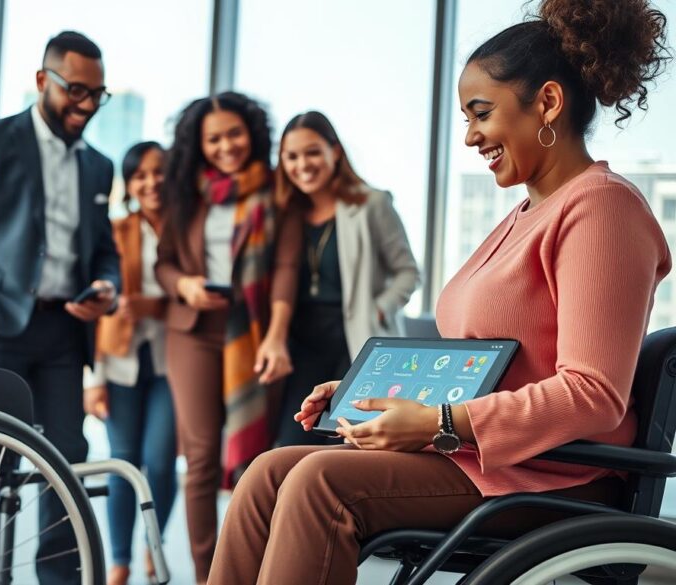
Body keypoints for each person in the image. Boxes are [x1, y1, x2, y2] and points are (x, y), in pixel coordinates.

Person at [208, 0, 672, 583]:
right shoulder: (527, 213)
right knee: (267, 473)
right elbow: (486, 359)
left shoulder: (601, 208)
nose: (472, 136)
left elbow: (591, 394)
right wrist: (361, 394)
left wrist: (438, 422)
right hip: (482, 459)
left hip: (551, 474)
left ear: (547, 103)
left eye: (482, 114)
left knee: (318, 483)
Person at [0, 31, 120, 585]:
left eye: (97, 95)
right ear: (42, 81)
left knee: (66, 466)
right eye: (76, 90)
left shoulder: (100, 167)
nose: (86, 105)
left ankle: (57, 580)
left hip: (64, 332)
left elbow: (105, 251)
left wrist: (108, 286)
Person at [155, 91, 302, 584]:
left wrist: (276, 337)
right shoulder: (186, 193)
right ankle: (207, 575)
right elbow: (164, 263)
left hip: (254, 333)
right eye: (213, 139)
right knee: (198, 459)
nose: (226, 146)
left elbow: (285, 268)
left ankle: (250, 570)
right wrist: (186, 285)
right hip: (193, 333)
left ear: (253, 132)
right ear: (199, 143)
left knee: (253, 462)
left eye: (234, 134)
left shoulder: (276, 189)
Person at [272, 111, 420, 448]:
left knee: (346, 443)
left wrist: (380, 309)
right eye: (291, 156)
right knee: (289, 444)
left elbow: (408, 271)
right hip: (302, 346)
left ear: (334, 152)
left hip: (353, 337)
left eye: (312, 152)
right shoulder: (286, 213)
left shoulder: (372, 203)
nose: (303, 165)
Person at [82, 141, 177, 585]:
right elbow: (97, 310)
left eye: (158, 172)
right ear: (130, 183)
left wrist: (152, 306)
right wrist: (93, 380)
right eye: (140, 175)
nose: (151, 182)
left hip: (172, 365)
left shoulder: (186, 232)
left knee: (159, 461)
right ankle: (118, 559)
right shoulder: (116, 230)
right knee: (123, 460)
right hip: (119, 365)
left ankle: (152, 546)